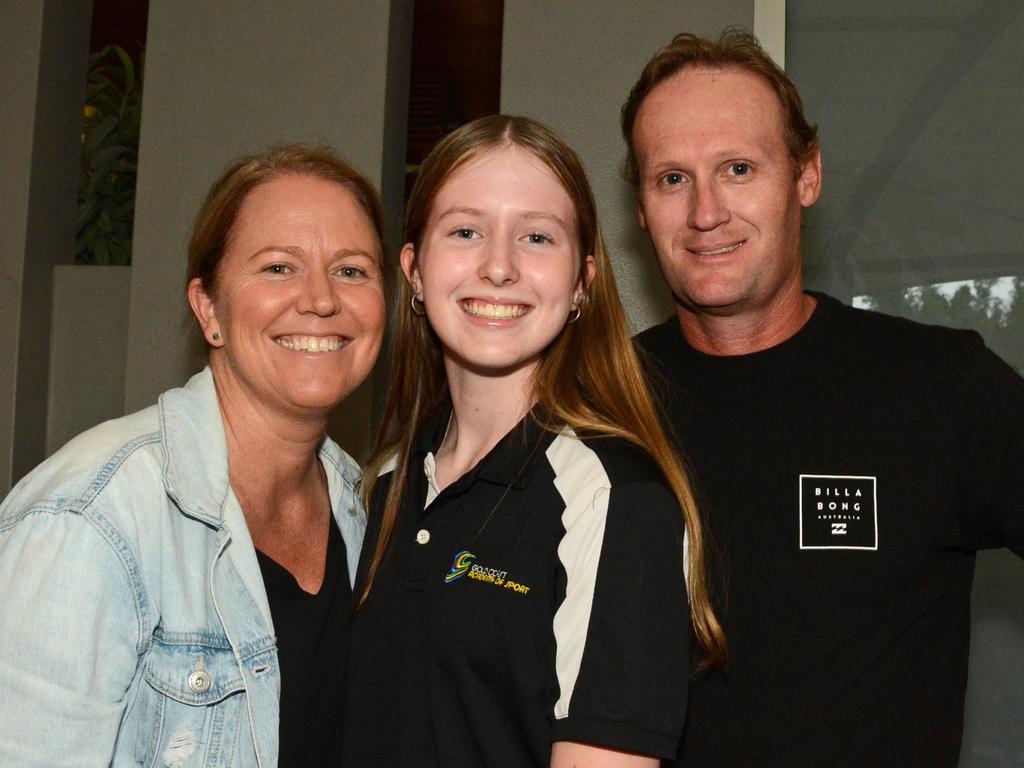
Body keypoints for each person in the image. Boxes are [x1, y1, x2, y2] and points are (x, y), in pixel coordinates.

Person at [623, 29, 1024, 767]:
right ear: (641, 207)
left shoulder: (940, 386)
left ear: (807, 176)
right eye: (672, 179)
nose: (705, 211)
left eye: (738, 168)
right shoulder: (598, 407)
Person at [343, 115, 726, 767]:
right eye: (465, 231)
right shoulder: (377, 485)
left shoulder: (615, 500)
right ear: (413, 268)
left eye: (537, 237)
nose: (498, 266)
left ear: (582, 281)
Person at [0, 146, 387, 767]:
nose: (320, 300)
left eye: (351, 270)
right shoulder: (90, 519)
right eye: (279, 268)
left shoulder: (364, 506)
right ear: (209, 308)